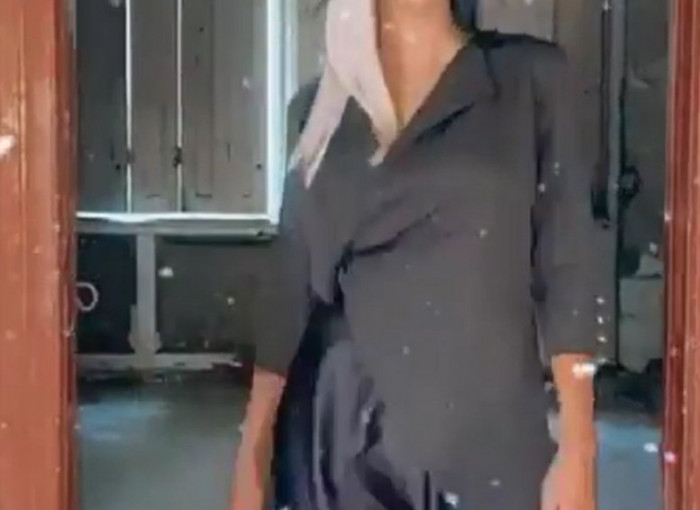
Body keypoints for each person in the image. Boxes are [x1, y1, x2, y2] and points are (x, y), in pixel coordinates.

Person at [231, 0, 599, 508]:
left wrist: (579, 445)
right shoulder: (318, 111)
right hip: (334, 446)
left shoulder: (529, 80)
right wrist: (253, 451)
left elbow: (567, 266)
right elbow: (290, 285)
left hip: (483, 444)